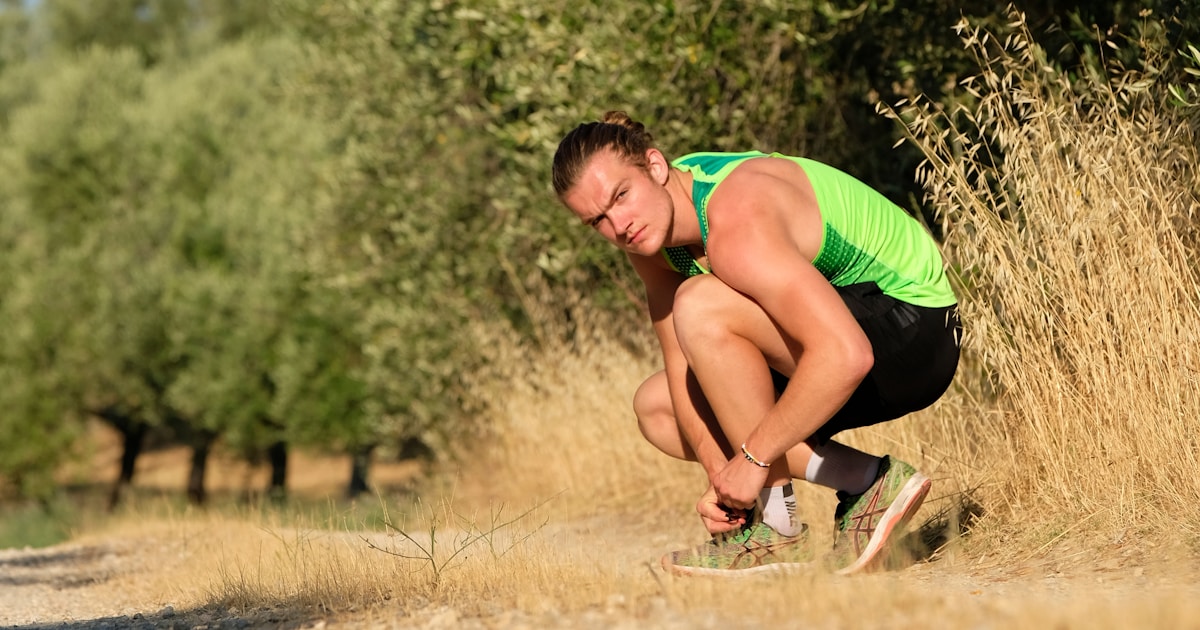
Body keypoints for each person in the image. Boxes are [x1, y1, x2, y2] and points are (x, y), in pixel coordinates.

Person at [551, 111, 962, 576]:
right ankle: (859, 486)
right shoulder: (652, 235)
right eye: (597, 221)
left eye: (621, 197)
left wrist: (752, 460)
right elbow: (680, 363)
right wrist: (722, 482)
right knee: (658, 406)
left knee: (701, 304)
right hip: (851, 337)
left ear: (656, 166)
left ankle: (777, 521)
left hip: (914, 332)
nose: (619, 225)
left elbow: (847, 355)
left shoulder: (734, 216)